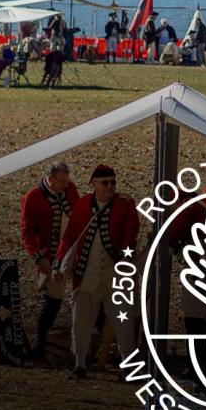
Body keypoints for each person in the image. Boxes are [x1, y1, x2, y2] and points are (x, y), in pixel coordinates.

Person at [54, 165, 140, 379]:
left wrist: (125, 259)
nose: (110, 186)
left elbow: (131, 233)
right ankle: (80, 364)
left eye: (113, 182)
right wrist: (58, 264)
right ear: (93, 183)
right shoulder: (83, 205)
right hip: (87, 276)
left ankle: (128, 367)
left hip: (115, 275)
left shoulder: (126, 204)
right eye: (105, 182)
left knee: (124, 323)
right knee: (80, 323)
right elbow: (69, 238)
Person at [21, 162, 79, 360]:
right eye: (61, 181)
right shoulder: (33, 197)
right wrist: (39, 257)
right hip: (51, 257)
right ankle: (41, 344)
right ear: (51, 179)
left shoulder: (70, 189)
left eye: (67, 181)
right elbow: (27, 232)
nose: (66, 185)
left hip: (74, 252)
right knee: (52, 301)